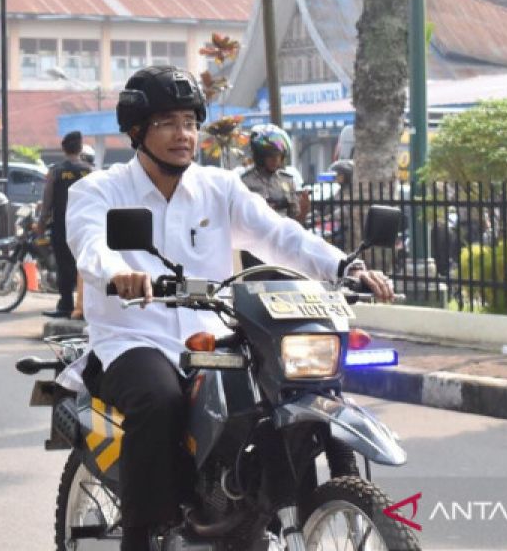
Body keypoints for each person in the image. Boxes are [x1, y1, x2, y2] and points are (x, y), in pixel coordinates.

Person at [65, 65, 394, 550]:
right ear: (137, 129)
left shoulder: (219, 189)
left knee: (271, 397)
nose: (184, 135)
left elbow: (279, 235)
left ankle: (245, 506)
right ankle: (143, 533)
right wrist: (118, 273)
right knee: (160, 401)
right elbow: (91, 242)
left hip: (215, 336)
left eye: (190, 122)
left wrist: (344, 267)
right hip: (135, 339)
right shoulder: (99, 190)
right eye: (168, 123)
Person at [37, 130, 94, 319]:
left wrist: (41, 224)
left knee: (64, 265)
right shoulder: (90, 171)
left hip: (62, 226)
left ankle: (66, 305)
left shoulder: (56, 171)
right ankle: (85, 305)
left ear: (63, 148)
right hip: (86, 226)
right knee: (85, 265)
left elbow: (47, 201)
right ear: (80, 148)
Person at [238, 123, 301, 269]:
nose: (276, 160)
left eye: (278, 156)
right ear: (260, 156)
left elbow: (295, 215)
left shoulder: (287, 180)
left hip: (283, 245)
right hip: (255, 248)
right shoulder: (245, 181)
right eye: (271, 156)